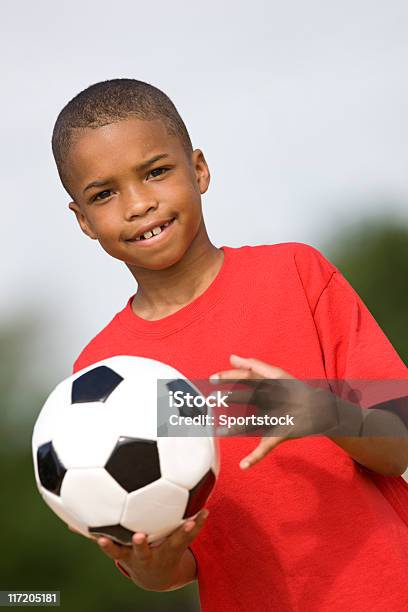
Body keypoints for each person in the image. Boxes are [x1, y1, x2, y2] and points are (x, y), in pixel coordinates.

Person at [51, 78, 408, 611]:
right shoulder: (102, 376)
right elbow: (176, 567)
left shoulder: (295, 274)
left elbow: (399, 442)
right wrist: (152, 566)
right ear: (82, 219)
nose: (139, 203)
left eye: (155, 172)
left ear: (198, 169)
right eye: (104, 193)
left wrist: (326, 413)